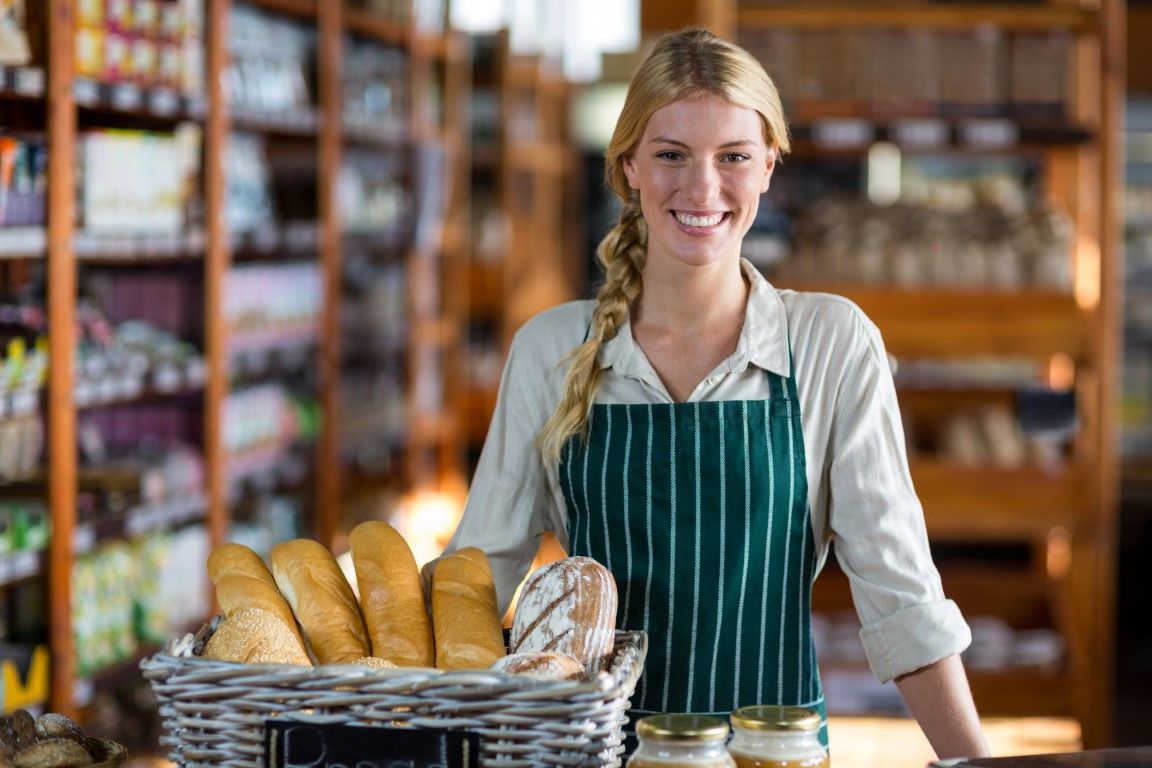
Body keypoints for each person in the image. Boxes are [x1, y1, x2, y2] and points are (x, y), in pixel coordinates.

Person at [437, 27, 990, 759]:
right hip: (600, 752)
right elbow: (472, 585)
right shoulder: (554, 349)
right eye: (671, 155)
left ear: (768, 165)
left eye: (732, 156)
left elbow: (900, 594)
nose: (702, 188)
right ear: (629, 166)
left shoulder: (827, 343)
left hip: (774, 752)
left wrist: (978, 762)